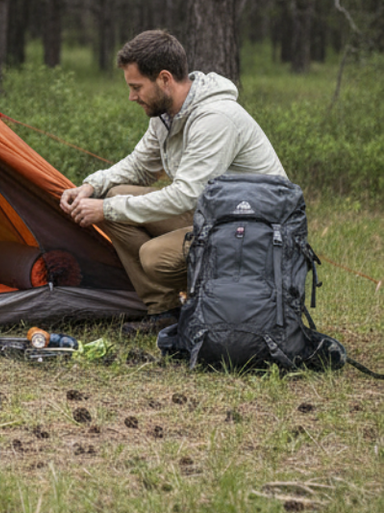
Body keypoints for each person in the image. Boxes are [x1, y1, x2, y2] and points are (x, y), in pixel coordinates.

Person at [60, 29, 287, 333]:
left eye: (136, 87)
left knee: (152, 255)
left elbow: (186, 196)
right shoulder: (166, 115)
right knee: (116, 193)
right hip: (219, 217)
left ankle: (215, 306)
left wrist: (105, 209)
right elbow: (141, 165)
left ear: (164, 79)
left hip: (257, 234)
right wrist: (92, 186)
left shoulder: (215, 118)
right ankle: (164, 313)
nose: (131, 96)